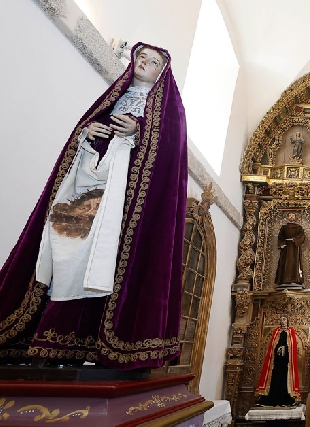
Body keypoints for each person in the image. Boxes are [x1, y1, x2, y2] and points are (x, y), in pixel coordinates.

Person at [0, 43, 187, 370]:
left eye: (152, 61)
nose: (144, 63)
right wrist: (88, 131)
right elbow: (81, 135)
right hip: (87, 195)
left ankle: (85, 346)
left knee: (102, 266)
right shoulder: (114, 97)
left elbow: (168, 159)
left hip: (124, 209)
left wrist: (138, 132)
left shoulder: (169, 113)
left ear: (163, 71)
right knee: (65, 256)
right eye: (141, 57)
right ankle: (47, 340)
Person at [254, 316, 300, 406]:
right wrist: (277, 349)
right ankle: (270, 398)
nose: (283, 321)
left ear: (287, 320)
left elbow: (293, 347)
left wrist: (285, 348)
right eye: (281, 320)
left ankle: (286, 399)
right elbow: (272, 347)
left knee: (284, 378)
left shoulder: (291, 331)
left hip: (286, 362)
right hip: (276, 361)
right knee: (274, 377)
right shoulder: (276, 332)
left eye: (284, 319)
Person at [274, 212, 305, 287]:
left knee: (295, 263)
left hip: (295, 247)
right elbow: (280, 237)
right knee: (285, 263)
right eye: (290, 215)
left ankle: (296, 279)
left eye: (293, 215)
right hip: (286, 247)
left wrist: (295, 239)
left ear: (295, 217)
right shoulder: (284, 227)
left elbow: (302, 236)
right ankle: (284, 280)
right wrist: (282, 244)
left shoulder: (299, 227)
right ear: (288, 217)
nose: (291, 217)